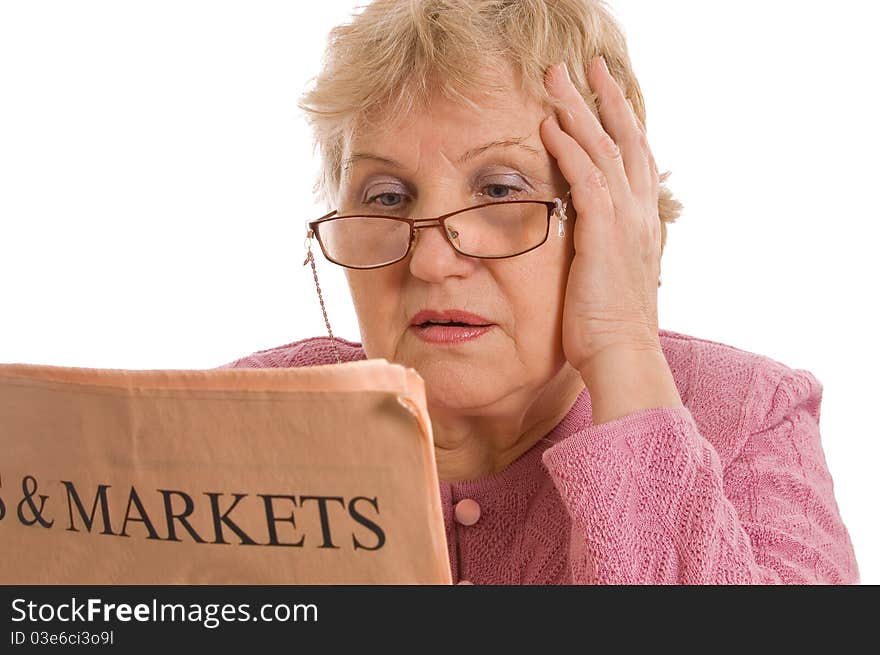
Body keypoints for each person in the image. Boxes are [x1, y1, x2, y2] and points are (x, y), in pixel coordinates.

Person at [216, 0, 859, 584]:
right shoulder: (240, 419)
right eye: (387, 197)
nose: (433, 261)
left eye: (500, 191)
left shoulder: (745, 413)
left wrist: (621, 347)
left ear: (612, 219)